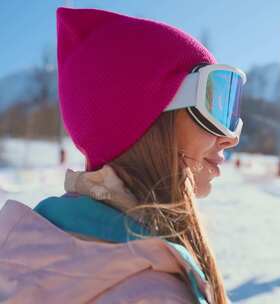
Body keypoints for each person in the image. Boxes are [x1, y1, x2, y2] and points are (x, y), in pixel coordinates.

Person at [0, 7, 247, 304]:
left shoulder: (28, 250)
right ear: (149, 116)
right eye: (215, 106)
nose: (229, 138)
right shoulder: (153, 293)